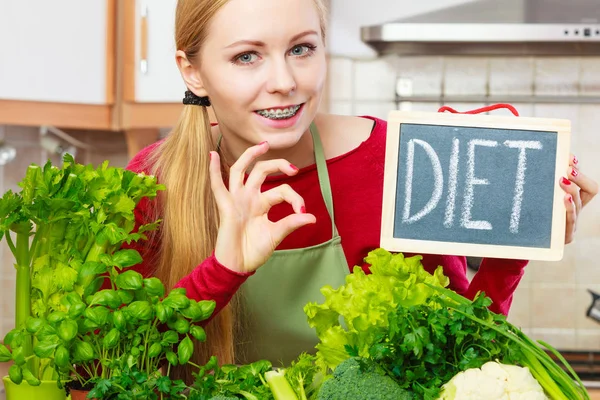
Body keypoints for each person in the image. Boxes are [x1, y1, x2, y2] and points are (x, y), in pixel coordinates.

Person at [124, 0, 598, 383]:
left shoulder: (395, 161)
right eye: (247, 56)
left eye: (302, 49)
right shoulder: (153, 181)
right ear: (193, 71)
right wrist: (223, 271)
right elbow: (112, 369)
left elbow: (457, 364)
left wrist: (513, 244)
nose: (285, 82)